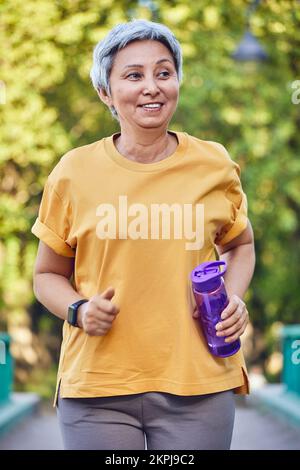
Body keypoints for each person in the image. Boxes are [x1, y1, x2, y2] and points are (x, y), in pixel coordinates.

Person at [31, 18, 255, 450]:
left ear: (177, 82)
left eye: (164, 72)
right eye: (133, 75)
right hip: (98, 389)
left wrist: (232, 296)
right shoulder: (73, 172)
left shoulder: (214, 164)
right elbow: (45, 276)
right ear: (105, 93)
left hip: (199, 382)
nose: (151, 86)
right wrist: (78, 309)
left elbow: (239, 245)